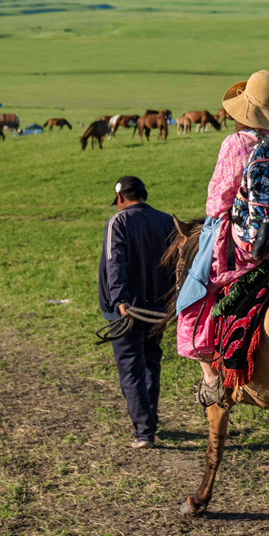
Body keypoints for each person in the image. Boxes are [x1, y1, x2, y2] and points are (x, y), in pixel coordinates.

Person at [176, 70, 269, 406]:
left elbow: (217, 202)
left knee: (195, 291)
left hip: (245, 249)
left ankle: (211, 377)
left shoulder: (236, 144)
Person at [98, 175, 177, 448]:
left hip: (128, 309)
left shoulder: (118, 222)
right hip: (158, 308)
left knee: (131, 368)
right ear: (144, 194)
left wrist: (119, 298)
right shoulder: (167, 220)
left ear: (120, 198)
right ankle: (149, 420)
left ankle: (144, 431)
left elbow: (114, 261)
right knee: (151, 363)